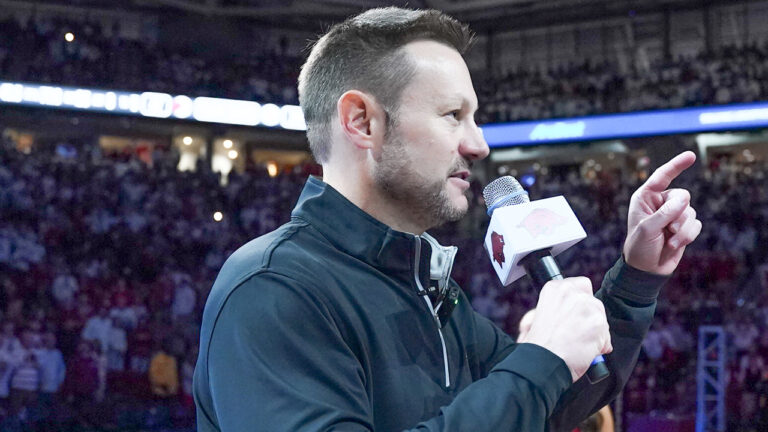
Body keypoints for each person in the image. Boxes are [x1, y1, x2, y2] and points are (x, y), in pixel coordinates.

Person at [194, 7, 702, 431]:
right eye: (452, 115)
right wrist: (539, 362)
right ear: (362, 121)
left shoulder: (427, 289)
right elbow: (532, 383)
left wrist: (636, 277)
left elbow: (552, 404)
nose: (478, 144)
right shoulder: (273, 288)